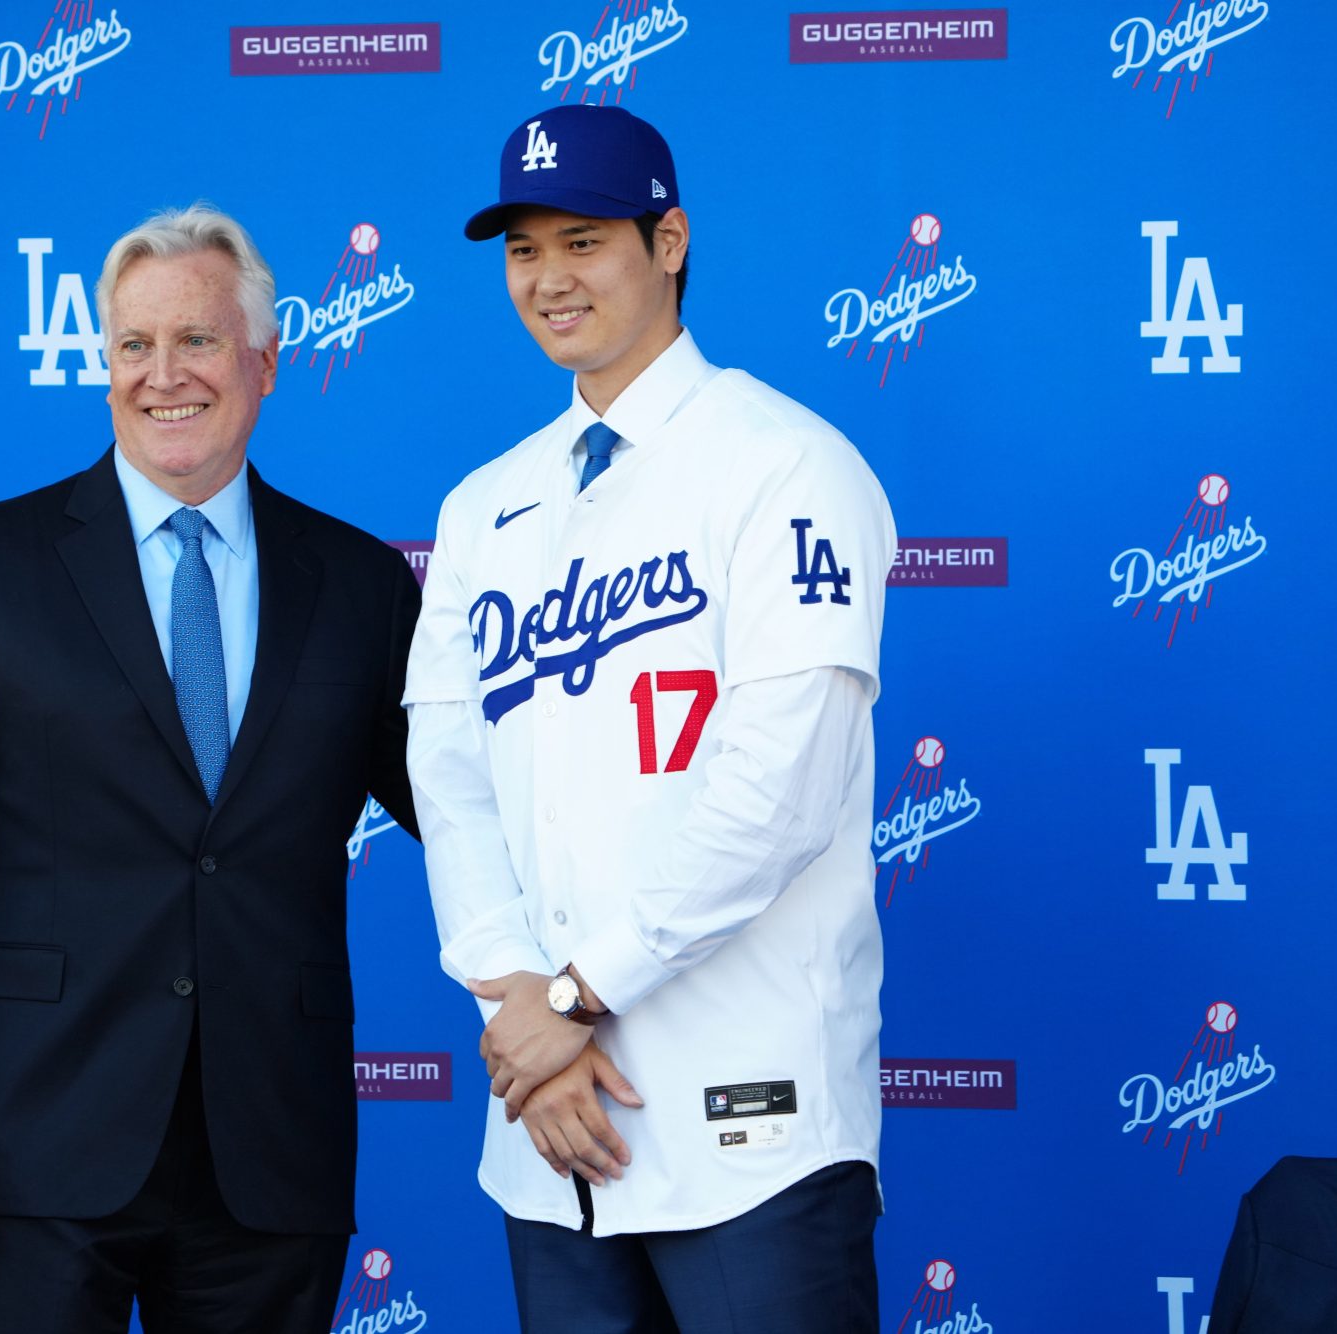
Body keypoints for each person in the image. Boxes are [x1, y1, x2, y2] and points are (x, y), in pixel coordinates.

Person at [0, 204, 421, 1334]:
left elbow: (463, 815)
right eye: (132, 346)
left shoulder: (361, 584)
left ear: (265, 360)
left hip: (270, 1150)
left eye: (199, 340)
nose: (163, 374)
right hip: (28, 1149)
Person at [402, 105, 897, 1333]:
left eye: (583, 240)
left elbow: (775, 794)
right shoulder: (485, 505)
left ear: (666, 240)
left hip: (751, 1129)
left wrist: (569, 1001)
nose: (548, 279)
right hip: (553, 1131)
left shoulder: (786, 465)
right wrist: (515, 1005)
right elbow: (448, 772)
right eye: (523, 250)